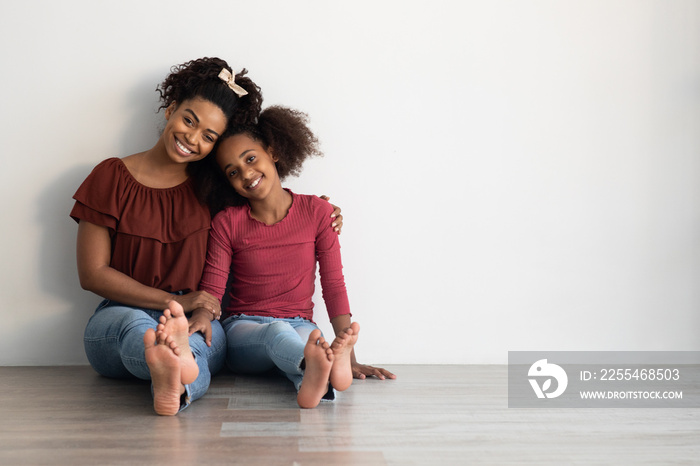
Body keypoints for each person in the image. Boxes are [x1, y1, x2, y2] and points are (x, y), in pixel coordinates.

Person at [70, 58, 343, 416]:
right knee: (135, 326)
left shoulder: (216, 190)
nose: (192, 139)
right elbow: (92, 274)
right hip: (119, 315)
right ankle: (168, 358)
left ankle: (177, 386)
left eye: (209, 137)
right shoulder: (111, 176)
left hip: (198, 316)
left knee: (196, 349)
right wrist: (174, 302)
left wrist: (322, 211)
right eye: (188, 120)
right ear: (170, 110)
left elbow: (267, 201)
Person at [194, 105, 396, 409]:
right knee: (279, 332)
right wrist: (200, 319)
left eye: (251, 158)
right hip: (243, 330)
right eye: (233, 172)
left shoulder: (318, 212)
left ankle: (318, 382)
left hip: (299, 322)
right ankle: (316, 366)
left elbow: (333, 285)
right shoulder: (228, 222)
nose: (246, 174)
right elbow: (213, 288)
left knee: (313, 340)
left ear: (273, 152)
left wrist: (350, 359)